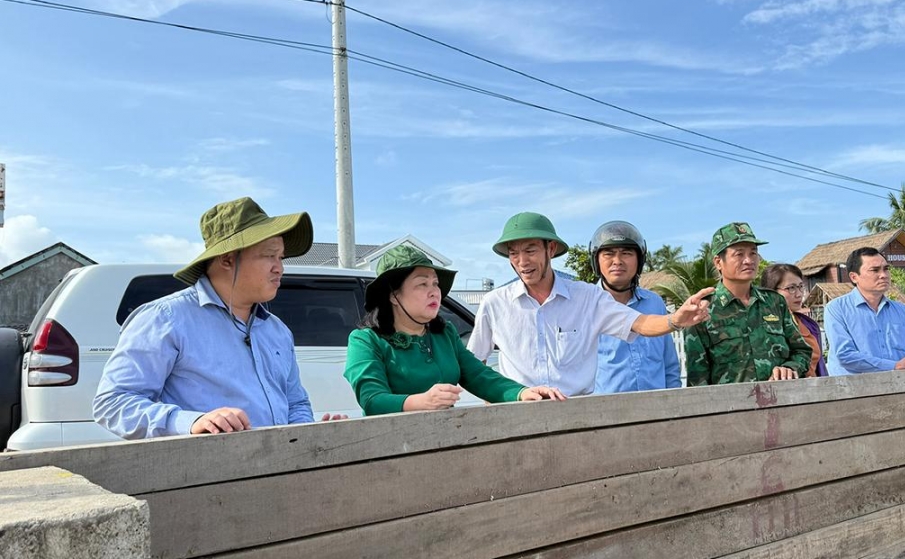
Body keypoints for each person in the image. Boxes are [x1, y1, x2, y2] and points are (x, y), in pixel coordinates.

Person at [94, 197, 326, 438]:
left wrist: (308, 435)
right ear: (227, 259)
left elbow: (296, 403)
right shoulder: (166, 319)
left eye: (281, 258)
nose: (279, 268)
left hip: (279, 470)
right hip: (205, 471)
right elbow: (113, 403)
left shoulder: (277, 330)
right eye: (269, 255)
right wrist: (191, 422)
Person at [467, 212, 713, 397]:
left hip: (579, 416)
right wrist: (499, 399)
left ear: (550, 249)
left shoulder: (586, 298)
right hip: (519, 417)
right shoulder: (494, 304)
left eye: (530, 250)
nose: (522, 262)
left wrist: (674, 320)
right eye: (513, 253)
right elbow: (473, 366)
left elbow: (639, 323)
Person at [343, 244, 565, 415]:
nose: (434, 292)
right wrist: (421, 401)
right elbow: (371, 400)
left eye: (436, 284)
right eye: (422, 284)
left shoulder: (444, 334)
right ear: (393, 295)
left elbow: (478, 375)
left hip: (447, 440)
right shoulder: (365, 340)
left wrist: (522, 392)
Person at [684, 223, 812, 386]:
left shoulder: (774, 302)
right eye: (739, 254)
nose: (749, 260)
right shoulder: (702, 310)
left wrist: (790, 367)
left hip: (782, 403)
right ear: (718, 262)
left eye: (753, 253)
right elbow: (697, 381)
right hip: (731, 407)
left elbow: (802, 351)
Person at [824, 247, 905, 381]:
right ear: (854, 277)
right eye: (875, 270)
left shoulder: (902, 311)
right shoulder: (836, 309)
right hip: (853, 393)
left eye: (886, 269)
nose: (884, 275)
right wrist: (894, 365)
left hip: (898, 389)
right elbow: (845, 356)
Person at [590, 220, 682, 393]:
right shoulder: (585, 306)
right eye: (608, 254)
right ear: (596, 260)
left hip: (657, 410)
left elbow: (669, 365)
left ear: (640, 259)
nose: (617, 261)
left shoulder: (655, 303)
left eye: (626, 253)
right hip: (605, 414)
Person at [761, 263, 827, 377]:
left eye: (801, 286)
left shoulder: (808, 324)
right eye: (791, 288)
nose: (799, 294)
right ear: (771, 291)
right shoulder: (762, 324)